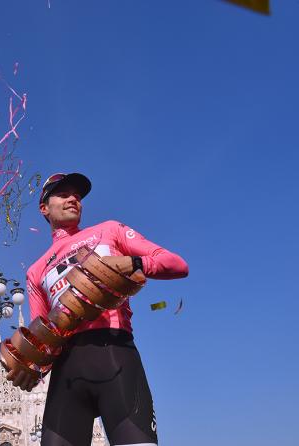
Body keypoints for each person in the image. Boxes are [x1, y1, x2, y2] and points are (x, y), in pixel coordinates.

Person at [24, 172, 188, 446]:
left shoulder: (108, 231)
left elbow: (176, 264)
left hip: (115, 357)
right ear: (44, 208)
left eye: (77, 195)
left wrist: (136, 264)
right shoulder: (36, 270)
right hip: (67, 376)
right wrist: (28, 363)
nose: (73, 198)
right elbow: (42, 336)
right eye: (63, 194)